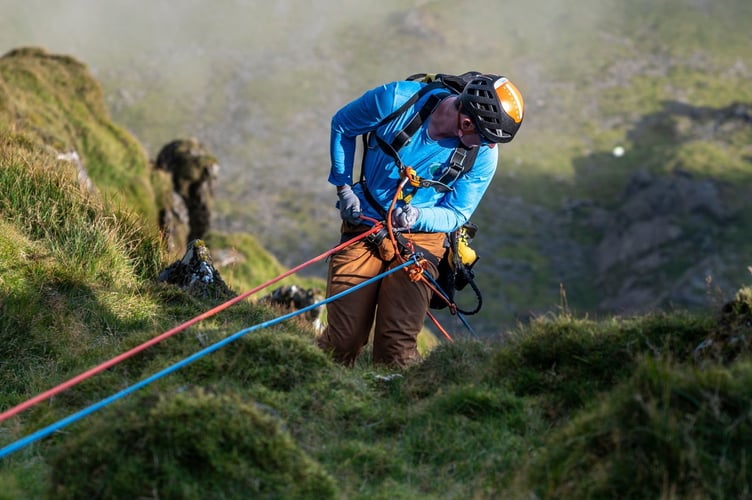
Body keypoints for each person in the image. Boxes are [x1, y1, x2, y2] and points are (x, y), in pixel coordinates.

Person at [316, 72, 525, 367]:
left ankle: (394, 403)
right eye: (486, 138)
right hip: (366, 221)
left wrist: (419, 216)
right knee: (343, 339)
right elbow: (343, 124)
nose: (490, 147)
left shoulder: (483, 157)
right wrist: (344, 187)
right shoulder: (396, 101)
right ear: (466, 123)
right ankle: (323, 394)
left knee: (396, 347)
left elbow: (457, 213)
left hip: (422, 239)